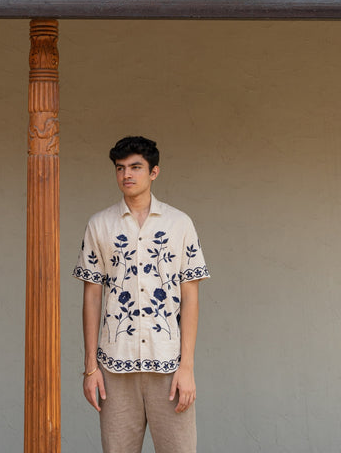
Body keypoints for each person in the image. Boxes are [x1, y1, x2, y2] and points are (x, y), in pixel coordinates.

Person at [73, 136, 209, 453]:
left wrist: (187, 368)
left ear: (154, 172)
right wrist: (91, 368)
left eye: (136, 167)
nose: (127, 175)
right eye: (120, 168)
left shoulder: (180, 224)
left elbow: (191, 298)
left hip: (169, 366)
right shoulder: (99, 225)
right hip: (114, 368)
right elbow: (91, 298)